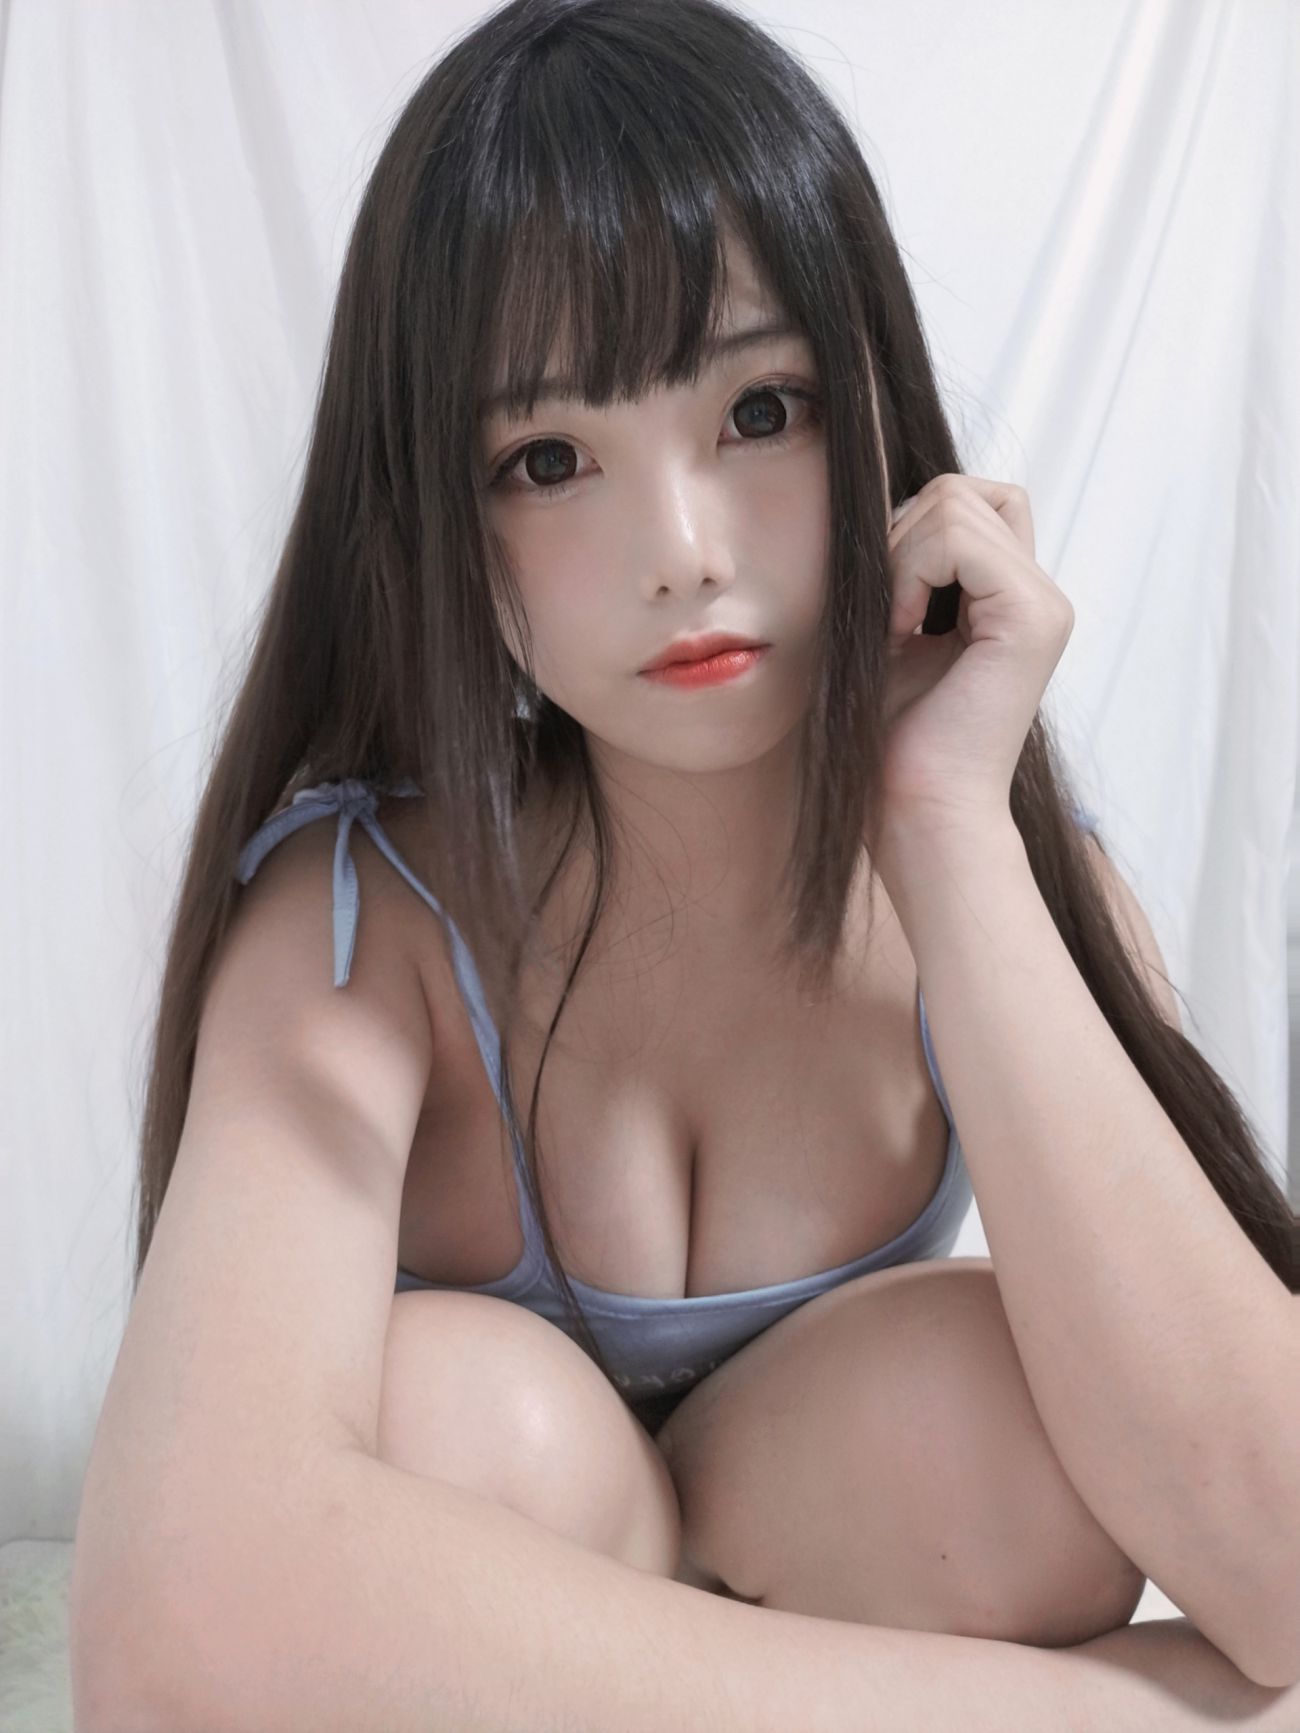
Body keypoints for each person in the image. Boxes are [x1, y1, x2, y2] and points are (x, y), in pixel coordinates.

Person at [70, 1, 1298, 1727]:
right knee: (463, 1418)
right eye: (549, 460)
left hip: (697, 1602)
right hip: (483, 1616)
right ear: (435, 516)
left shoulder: (1005, 875)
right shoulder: (358, 929)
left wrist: (945, 828)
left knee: (997, 1426)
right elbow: (171, 1628)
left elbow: (1277, 1554)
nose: (683, 550)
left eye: (762, 408)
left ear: (876, 408)